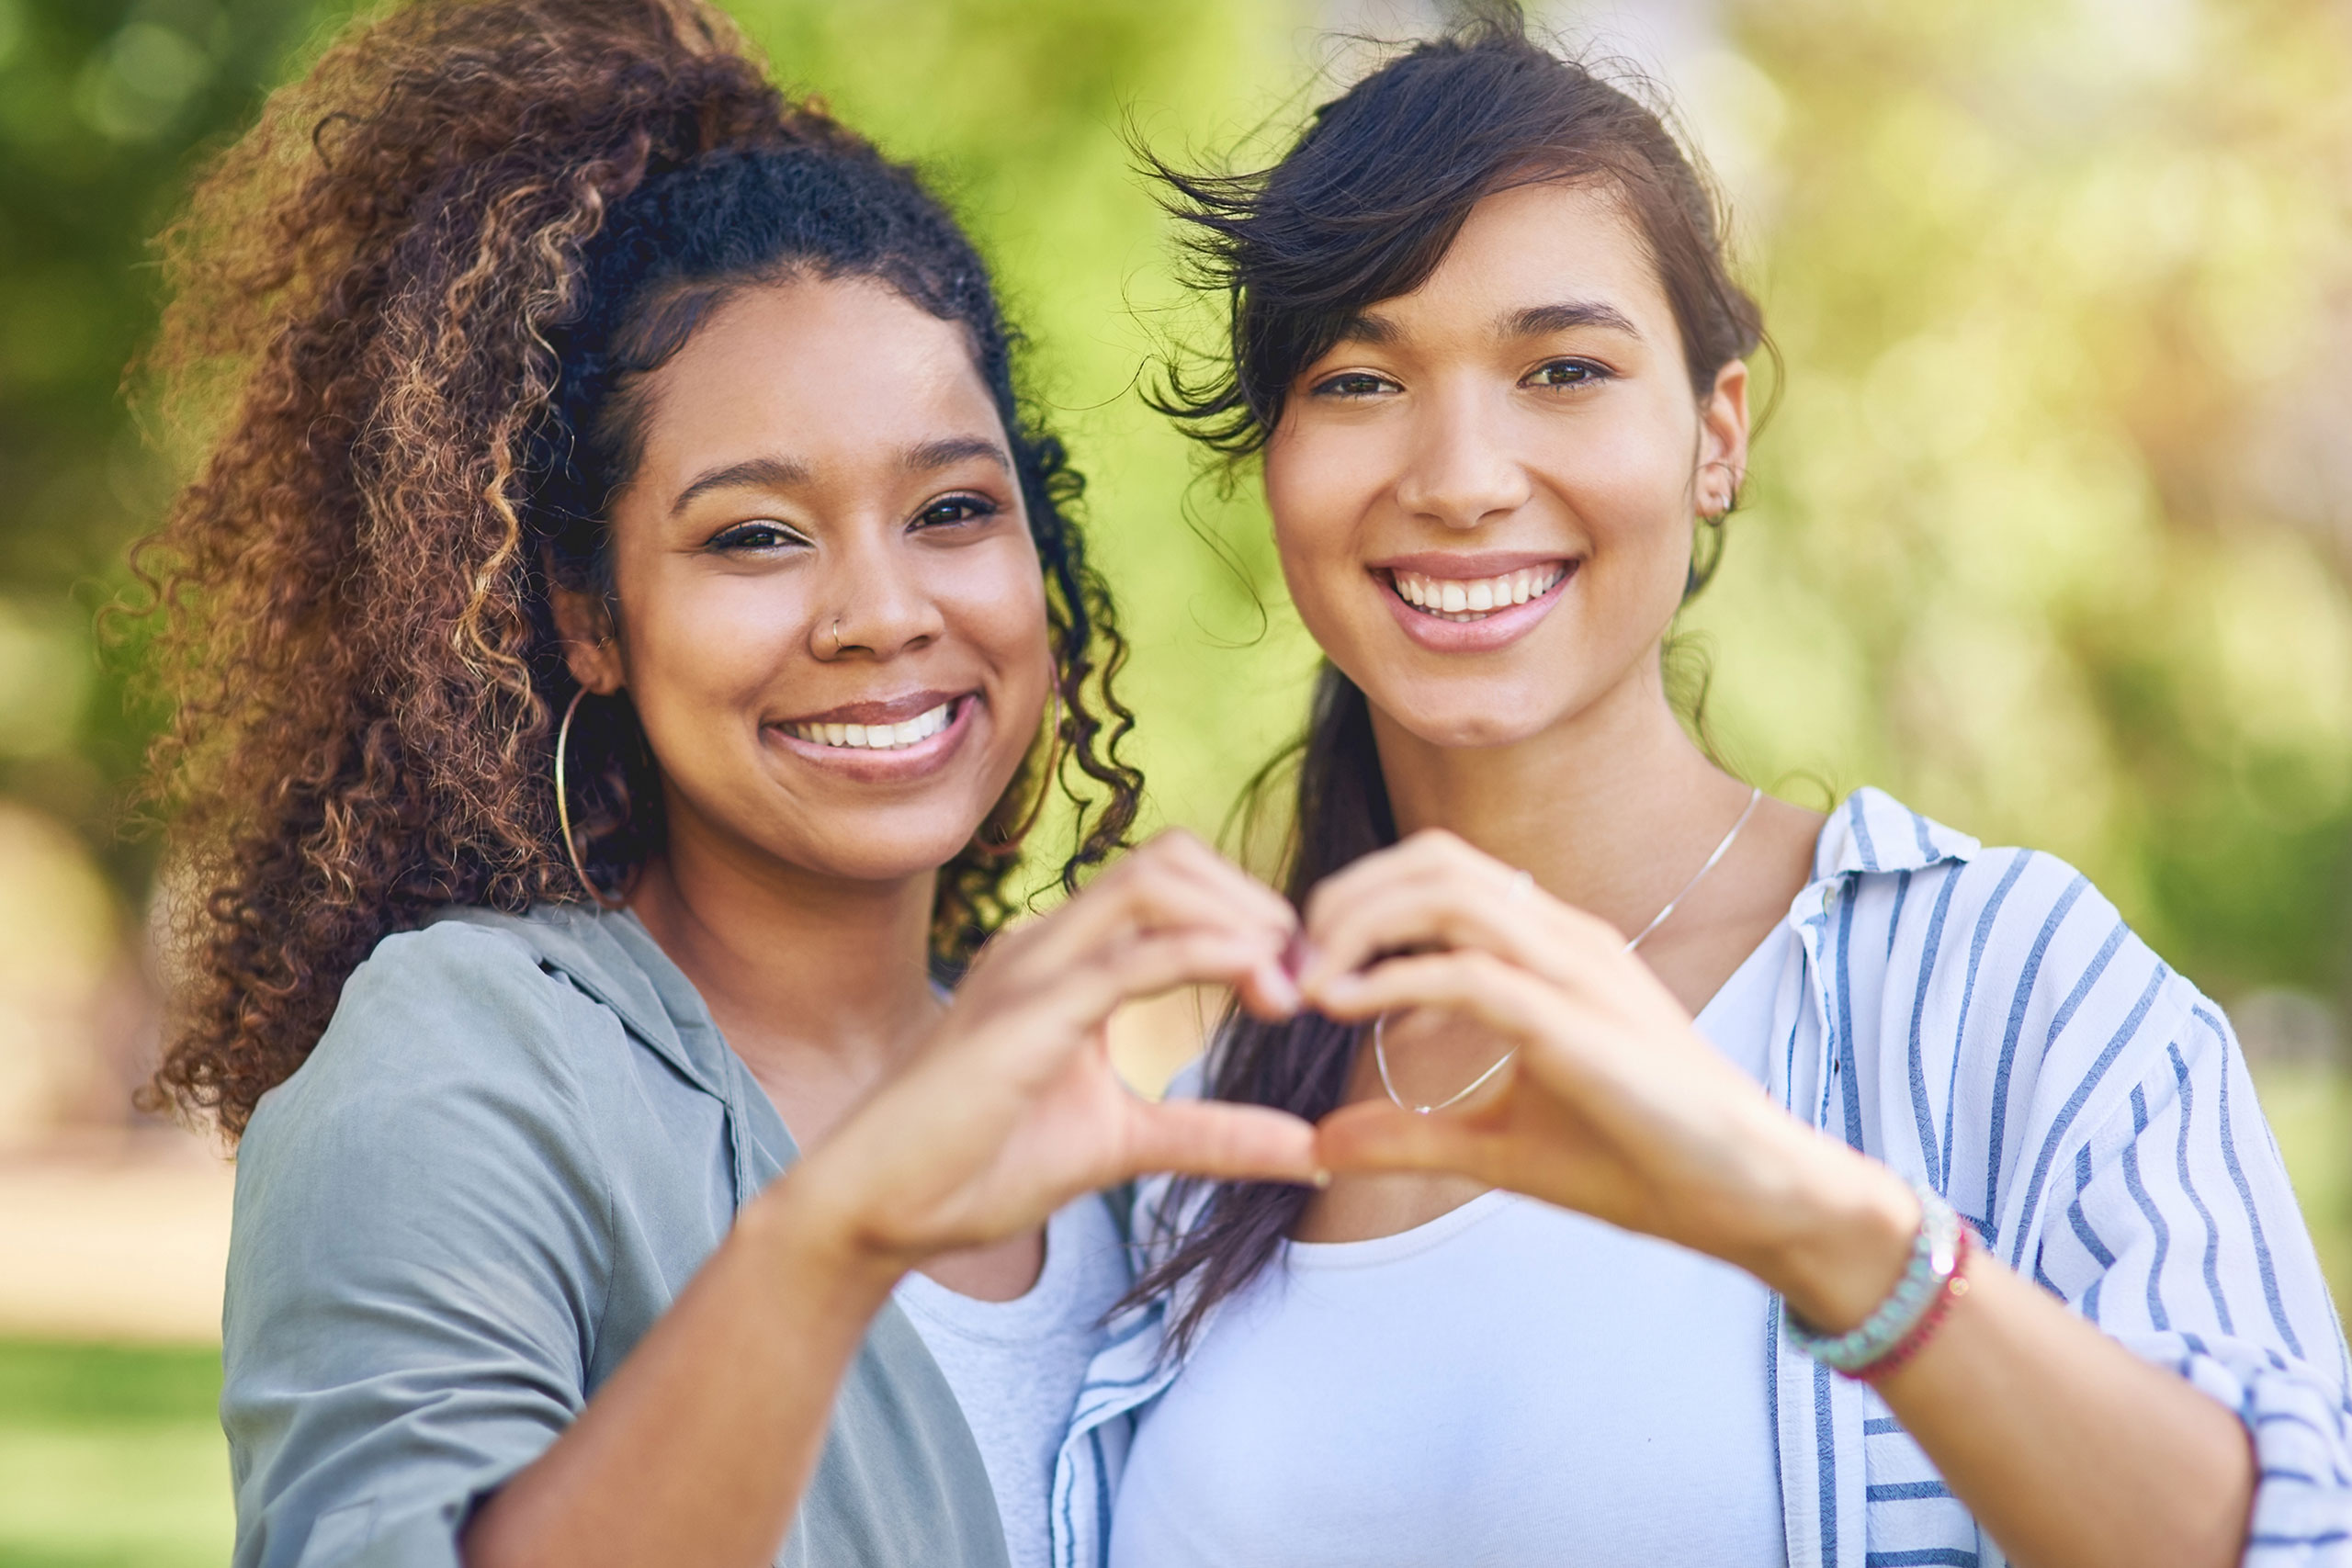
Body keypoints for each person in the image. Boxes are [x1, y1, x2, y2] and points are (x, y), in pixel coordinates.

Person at [1077, 12, 2352, 1568]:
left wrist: (1809, 1222)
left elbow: (2287, 1539)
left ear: (1715, 437)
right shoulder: (1206, 1134)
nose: (1462, 474)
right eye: (1359, 380)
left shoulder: (2002, 995)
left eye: (1562, 369)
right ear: (1271, 461)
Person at [129, 4, 1317, 1565]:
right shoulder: (465, 1063)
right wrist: (836, 1242)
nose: (883, 612)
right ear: (584, 617)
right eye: (756, 534)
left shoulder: (1117, 1155)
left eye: (954, 507)